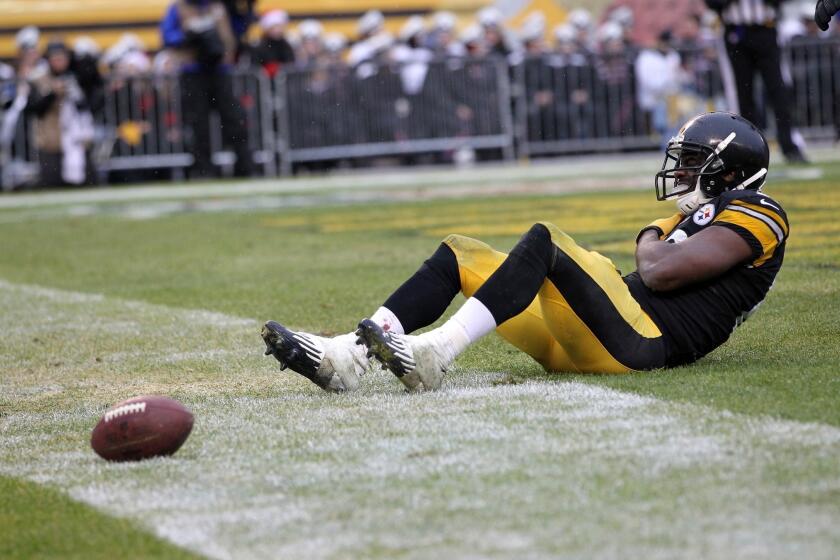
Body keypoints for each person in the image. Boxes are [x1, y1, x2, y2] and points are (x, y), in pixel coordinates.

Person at [261, 111, 789, 392]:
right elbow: (654, 257)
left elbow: (657, 273)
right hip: (596, 338)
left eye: (693, 161)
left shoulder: (760, 211)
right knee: (460, 253)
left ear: (732, 172)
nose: (679, 172)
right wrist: (656, 234)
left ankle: (436, 354)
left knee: (547, 238)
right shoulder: (687, 217)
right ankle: (347, 359)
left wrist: (651, 238)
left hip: (642, 343)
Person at [705, 0, 808, 163]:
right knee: (742, 94)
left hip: (766, 29)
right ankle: (750, 148)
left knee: (779, 90)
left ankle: (789, 145)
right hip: (736, 32)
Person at [160, 0, 253, 178]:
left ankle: (244, 166)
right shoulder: (179, 8)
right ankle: (204, 170)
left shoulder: (221, 6)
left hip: (220, 70)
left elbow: (239, 28)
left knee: (235, 119)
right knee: (198, 125)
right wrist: (188, 37)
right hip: (193, 71)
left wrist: (245, 10)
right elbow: (167, 35)